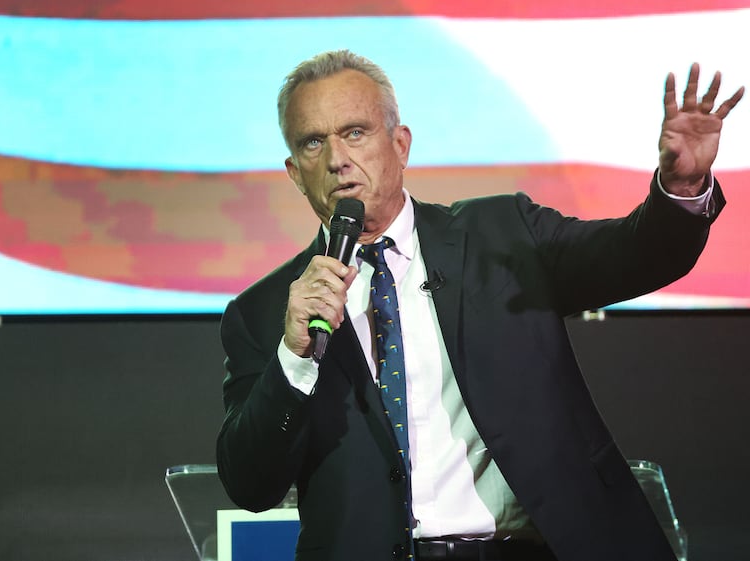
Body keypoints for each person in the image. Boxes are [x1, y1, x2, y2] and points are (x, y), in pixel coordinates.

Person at [216, 50, 743, 561]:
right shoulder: (263, 312)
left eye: (355, 132)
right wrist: (293, 357)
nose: (336, 159)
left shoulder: (503, 234)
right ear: (294, 172)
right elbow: (251, 484)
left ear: (400, 144)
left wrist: (681, 187)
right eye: (313, 142)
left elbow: (634, 256)